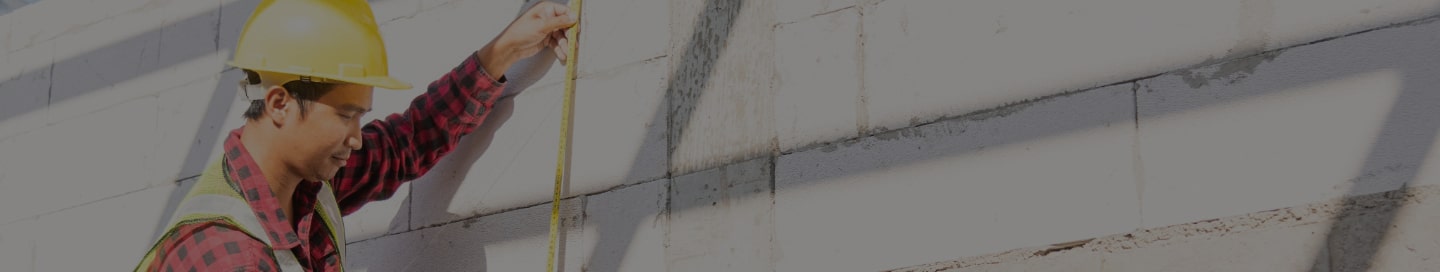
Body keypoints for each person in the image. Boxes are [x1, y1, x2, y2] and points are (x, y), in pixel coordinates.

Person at [133, 0, 575, 270]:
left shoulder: (305, 185)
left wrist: (505, 51)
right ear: (280, 104)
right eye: (347, 116)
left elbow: (408, 141)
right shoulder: (229, 256)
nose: (357, 137)